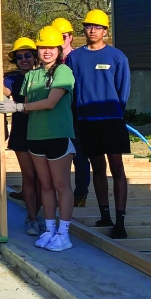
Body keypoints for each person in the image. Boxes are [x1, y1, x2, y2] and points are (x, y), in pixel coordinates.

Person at [0, 26, 77, 252]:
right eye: (42, 47)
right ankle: (49, 230)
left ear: (58, 49)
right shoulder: (31, 75)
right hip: (35, 136)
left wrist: (18, 106)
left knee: (61, 185)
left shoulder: (63, 72)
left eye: (51, 47)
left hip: (58, 135)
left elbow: (50, 102)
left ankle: (64, 233)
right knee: (47, 186)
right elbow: (30, 108)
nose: (46, 51)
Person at [64, 9, 131, 239]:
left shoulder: (117, 57)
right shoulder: (75, 57)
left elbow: (123, 91)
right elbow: (70, 88)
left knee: (117, 168)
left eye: (97, 27)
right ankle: (105, 215)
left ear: (105, 30)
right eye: (88, 26)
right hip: (85, 121)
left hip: (111, 120)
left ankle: (120, 221)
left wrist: (114, 112)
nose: (92, 30)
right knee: (97, 169)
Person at [2, 37, 44, 236]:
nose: (24, 60)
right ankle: (33, 219)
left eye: (28, 55)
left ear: (35, 56)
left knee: (44, 179)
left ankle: (36, 215)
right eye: (19, 57)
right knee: (29, 176)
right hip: (22, 130)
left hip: (44, 129)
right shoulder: (13, 78)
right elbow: (2, 91)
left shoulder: (45, 76)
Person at [52, 17, 89, 208]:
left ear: (71, 37)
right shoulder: (51, 61)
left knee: (80, 155)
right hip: (56, 113)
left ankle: (80, 194)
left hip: (76, 113)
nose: (61, 41)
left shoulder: (78, 58)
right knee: (56, 156)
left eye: (64, 36)